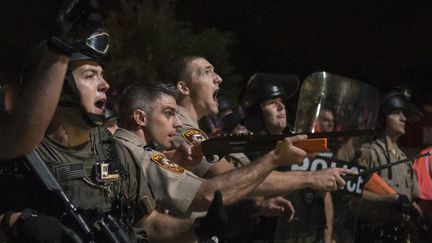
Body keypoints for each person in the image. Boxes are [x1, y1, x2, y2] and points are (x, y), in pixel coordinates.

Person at [115, 82, 300, 221]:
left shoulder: (125, 149)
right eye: (169, 113)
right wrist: (275, 160)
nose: (177, 123)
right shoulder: (137, 155)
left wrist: (256, 206)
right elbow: (206, 194)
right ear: (140, 117)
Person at [352, 90, 423, 243]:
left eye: (403, 114)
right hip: (372, 234)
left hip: (400, 234)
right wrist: (389, 200)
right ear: (383, 119)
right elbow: (352, 195)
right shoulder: (368, 153)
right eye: (396, 113)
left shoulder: (404, 160)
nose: (403, 118)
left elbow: (413, 195)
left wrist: (414, 208)